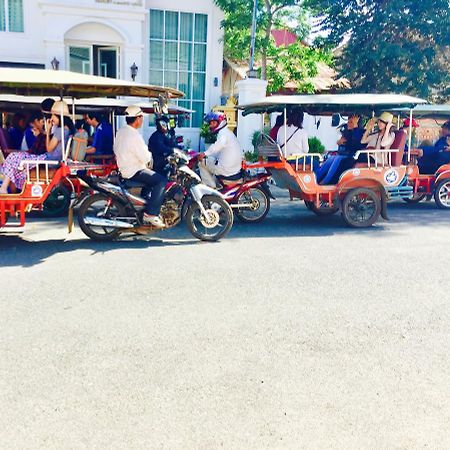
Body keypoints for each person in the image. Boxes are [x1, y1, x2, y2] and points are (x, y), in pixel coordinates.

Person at [0, 100, 74, 194]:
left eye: (53, 115)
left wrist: (47, 132)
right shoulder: (66, 130)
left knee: (13, 156)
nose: (51, 118)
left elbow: (49, 148)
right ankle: (5, 187)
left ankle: (4, 187)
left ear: (59, 116)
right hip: (50, 159)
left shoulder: (60, 131)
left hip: (48, 159)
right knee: (14, 157)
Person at [113, 105, 167, 228]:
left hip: (125, 169)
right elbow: (145, 157)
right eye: (141, 117)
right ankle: (151, 213)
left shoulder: (121, 132)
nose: (142, 120)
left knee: (152, 179)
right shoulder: (134, 135)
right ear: (137, 118)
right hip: (134, 170)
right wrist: (149, 158)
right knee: (161, 180)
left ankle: (143, 207)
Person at [315, 114, 365, 185]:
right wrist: (340, 142)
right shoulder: (347, 131)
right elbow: (342, 141)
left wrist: (354, 127)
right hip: (344, 153)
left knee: (337, 158)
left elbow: (355, 144)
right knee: (331, 158)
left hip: (354, 155)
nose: (348, 124)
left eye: (351, 122)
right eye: (348, 122)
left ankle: (326, 181)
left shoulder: (360, 132)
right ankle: (317, 178)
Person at [198, 112, 243, 188]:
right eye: (210, 123)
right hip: (233, 169)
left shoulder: (223, 134)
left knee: (201, 163)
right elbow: (217, 151)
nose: (211, 125)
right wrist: (207, 154)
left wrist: (204, 154)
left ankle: (210, 187)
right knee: (210, 161)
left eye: (213, 123)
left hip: (226, 170)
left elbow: (217, 147)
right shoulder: (227, 133)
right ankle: (214, 183)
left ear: (221, 122)